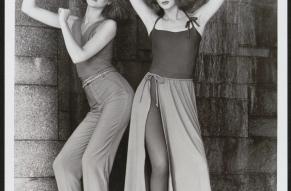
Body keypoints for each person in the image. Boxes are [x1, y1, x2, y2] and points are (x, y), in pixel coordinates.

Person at [21, 0, 133, 191]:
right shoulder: (73, 21)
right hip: (96, 104)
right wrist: (67, 22)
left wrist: (64, 23)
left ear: (109, 1)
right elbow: (27, 8)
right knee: (64, 165)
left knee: (93, 161)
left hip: (117, 97)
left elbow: (79, 55)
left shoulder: (108, 25)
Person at [124, 0, 224, 191]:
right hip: (151, 94)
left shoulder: (197, 20)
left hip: (181, 97)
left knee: (197, 162)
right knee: (160, 164)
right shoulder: (152, 20)